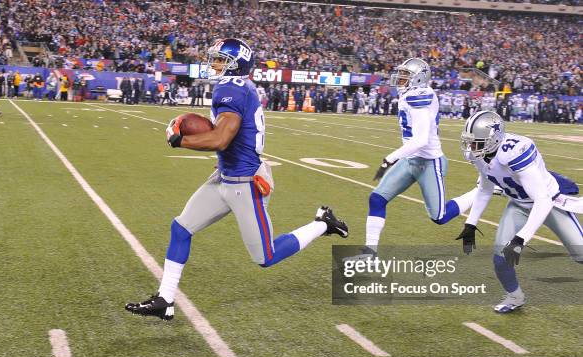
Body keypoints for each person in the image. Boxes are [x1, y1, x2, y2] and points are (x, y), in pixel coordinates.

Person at [125, 38, 348, 320]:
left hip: (245, 183)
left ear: (236, 63)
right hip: (225, 177)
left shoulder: (232, 88)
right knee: (180, 228)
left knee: (265, 257)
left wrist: (179, 140)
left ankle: (322, 224)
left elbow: (220, 138)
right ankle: (165, 300)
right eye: (214, 58)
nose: (214, 64)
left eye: (220, 60)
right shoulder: (235, 86)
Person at [457, 111, 582, 313]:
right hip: (518, 204)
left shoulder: (514, 151)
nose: (471, 147)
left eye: (476, 142)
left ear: (494, 139)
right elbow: (485, 187)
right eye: (470, 142)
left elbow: (541, 200)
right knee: (500, 257)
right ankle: (515, 296)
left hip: (550, 203)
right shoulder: (481, 155)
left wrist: (520, 239)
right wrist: (471, 223)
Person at [364, 58, 477, 256]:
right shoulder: (409, 94)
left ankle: (481, 191)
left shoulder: (420, 97)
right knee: (376, 199)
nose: (400, 78)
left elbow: (421, 139)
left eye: (406, 75)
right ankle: (369, 253)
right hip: (411, 160)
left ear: (418, 79)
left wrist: (389, 159)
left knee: (440, 217)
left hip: (429, 163)